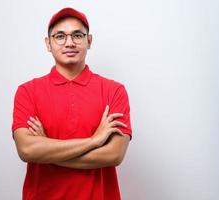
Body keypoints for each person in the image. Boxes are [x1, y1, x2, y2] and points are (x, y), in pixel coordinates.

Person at [12, 7, 132, 200]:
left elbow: (114, 155)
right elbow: (27, 150)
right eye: (60, 36)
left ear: (89, 41)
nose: (69, 43)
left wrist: (48, 149)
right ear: (48, 43)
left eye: (77, 35)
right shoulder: (27, 91)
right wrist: (94, 141)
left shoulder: (114, 91)